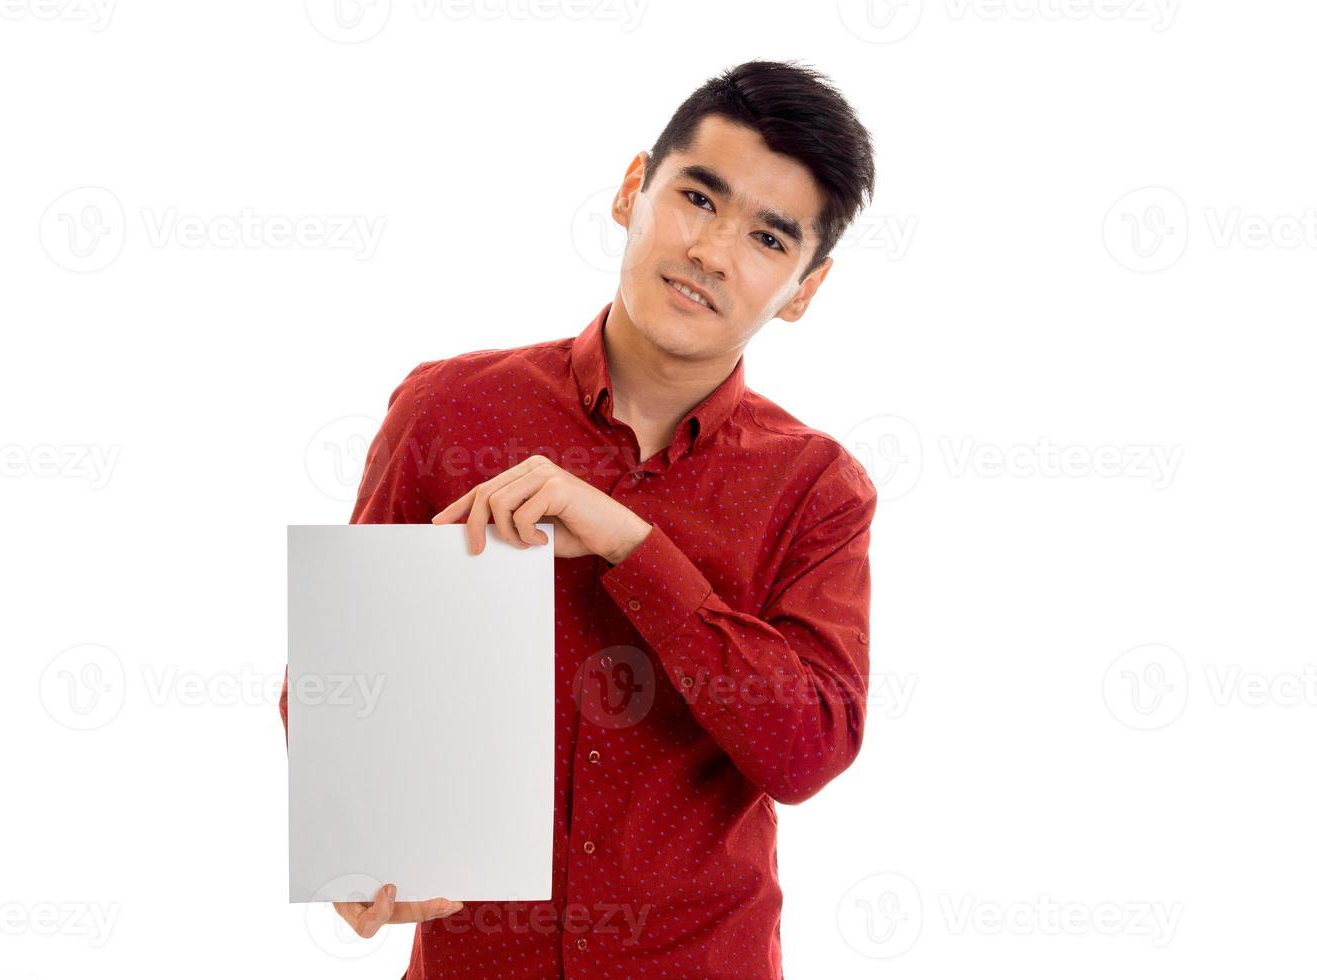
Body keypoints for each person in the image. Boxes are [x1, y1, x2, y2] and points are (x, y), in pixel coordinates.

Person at [281, 58, 879, 979]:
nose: (712, 252)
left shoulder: (816, 487)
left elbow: (805, 750)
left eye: (768, 238)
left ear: (804, 288)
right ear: (633, 190)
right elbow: (341, 668)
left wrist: (632, 544)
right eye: (697, 198)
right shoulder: (449, 412)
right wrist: (359, 837)